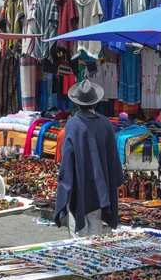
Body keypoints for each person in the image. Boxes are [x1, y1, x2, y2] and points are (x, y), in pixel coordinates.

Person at [54, 80, 125, 238]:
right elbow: (113, 157)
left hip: (79, 186)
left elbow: (67, 157)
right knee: (95, 232)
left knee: (79, 234)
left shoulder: (72, 124)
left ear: (77, 103)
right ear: (96, 102)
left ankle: (81, 262)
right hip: (99, 188)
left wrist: (65, 181)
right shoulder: (105, 124)